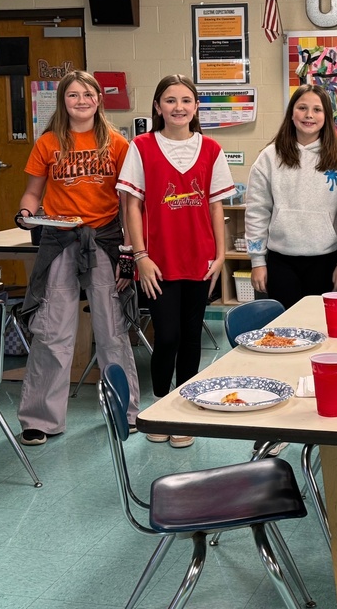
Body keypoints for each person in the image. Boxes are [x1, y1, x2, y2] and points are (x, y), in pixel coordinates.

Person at [16, 70, 140, 447]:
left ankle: (125, 410)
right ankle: (41, 418)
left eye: (88, 94)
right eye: (73, 95)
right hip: (59, 239)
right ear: (63, 101)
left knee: (112, 330)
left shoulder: (117, 144)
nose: (81, 101)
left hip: (104, 240)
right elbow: (32, 192)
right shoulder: (48, 142)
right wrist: (26, 214)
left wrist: (129, 254)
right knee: (52, 330)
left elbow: (130, 204)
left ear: (99, 99)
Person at [116, 74, 234, 449]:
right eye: (170, 100)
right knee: (166, 336)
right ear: (157, 106)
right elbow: (131, 207)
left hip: (200, 259)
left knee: (191, 337)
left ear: (196, 107)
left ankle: (184, 409)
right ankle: (159, 407)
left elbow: (216, 207)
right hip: (158, 262)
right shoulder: (141, 147)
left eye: (186, 100)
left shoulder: (211, 149)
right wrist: (140, 256)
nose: (178, 107)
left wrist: (221, 255)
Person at [245, 84, 337, 309]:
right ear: (291, 113)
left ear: (326, 116)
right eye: (302, 108)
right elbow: (257, 211)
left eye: (317, 110)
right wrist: (257, 261)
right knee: (284, 325)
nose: (309, 115)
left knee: (322, 324)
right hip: (280, 260)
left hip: (327, 260)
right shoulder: (269, 157)